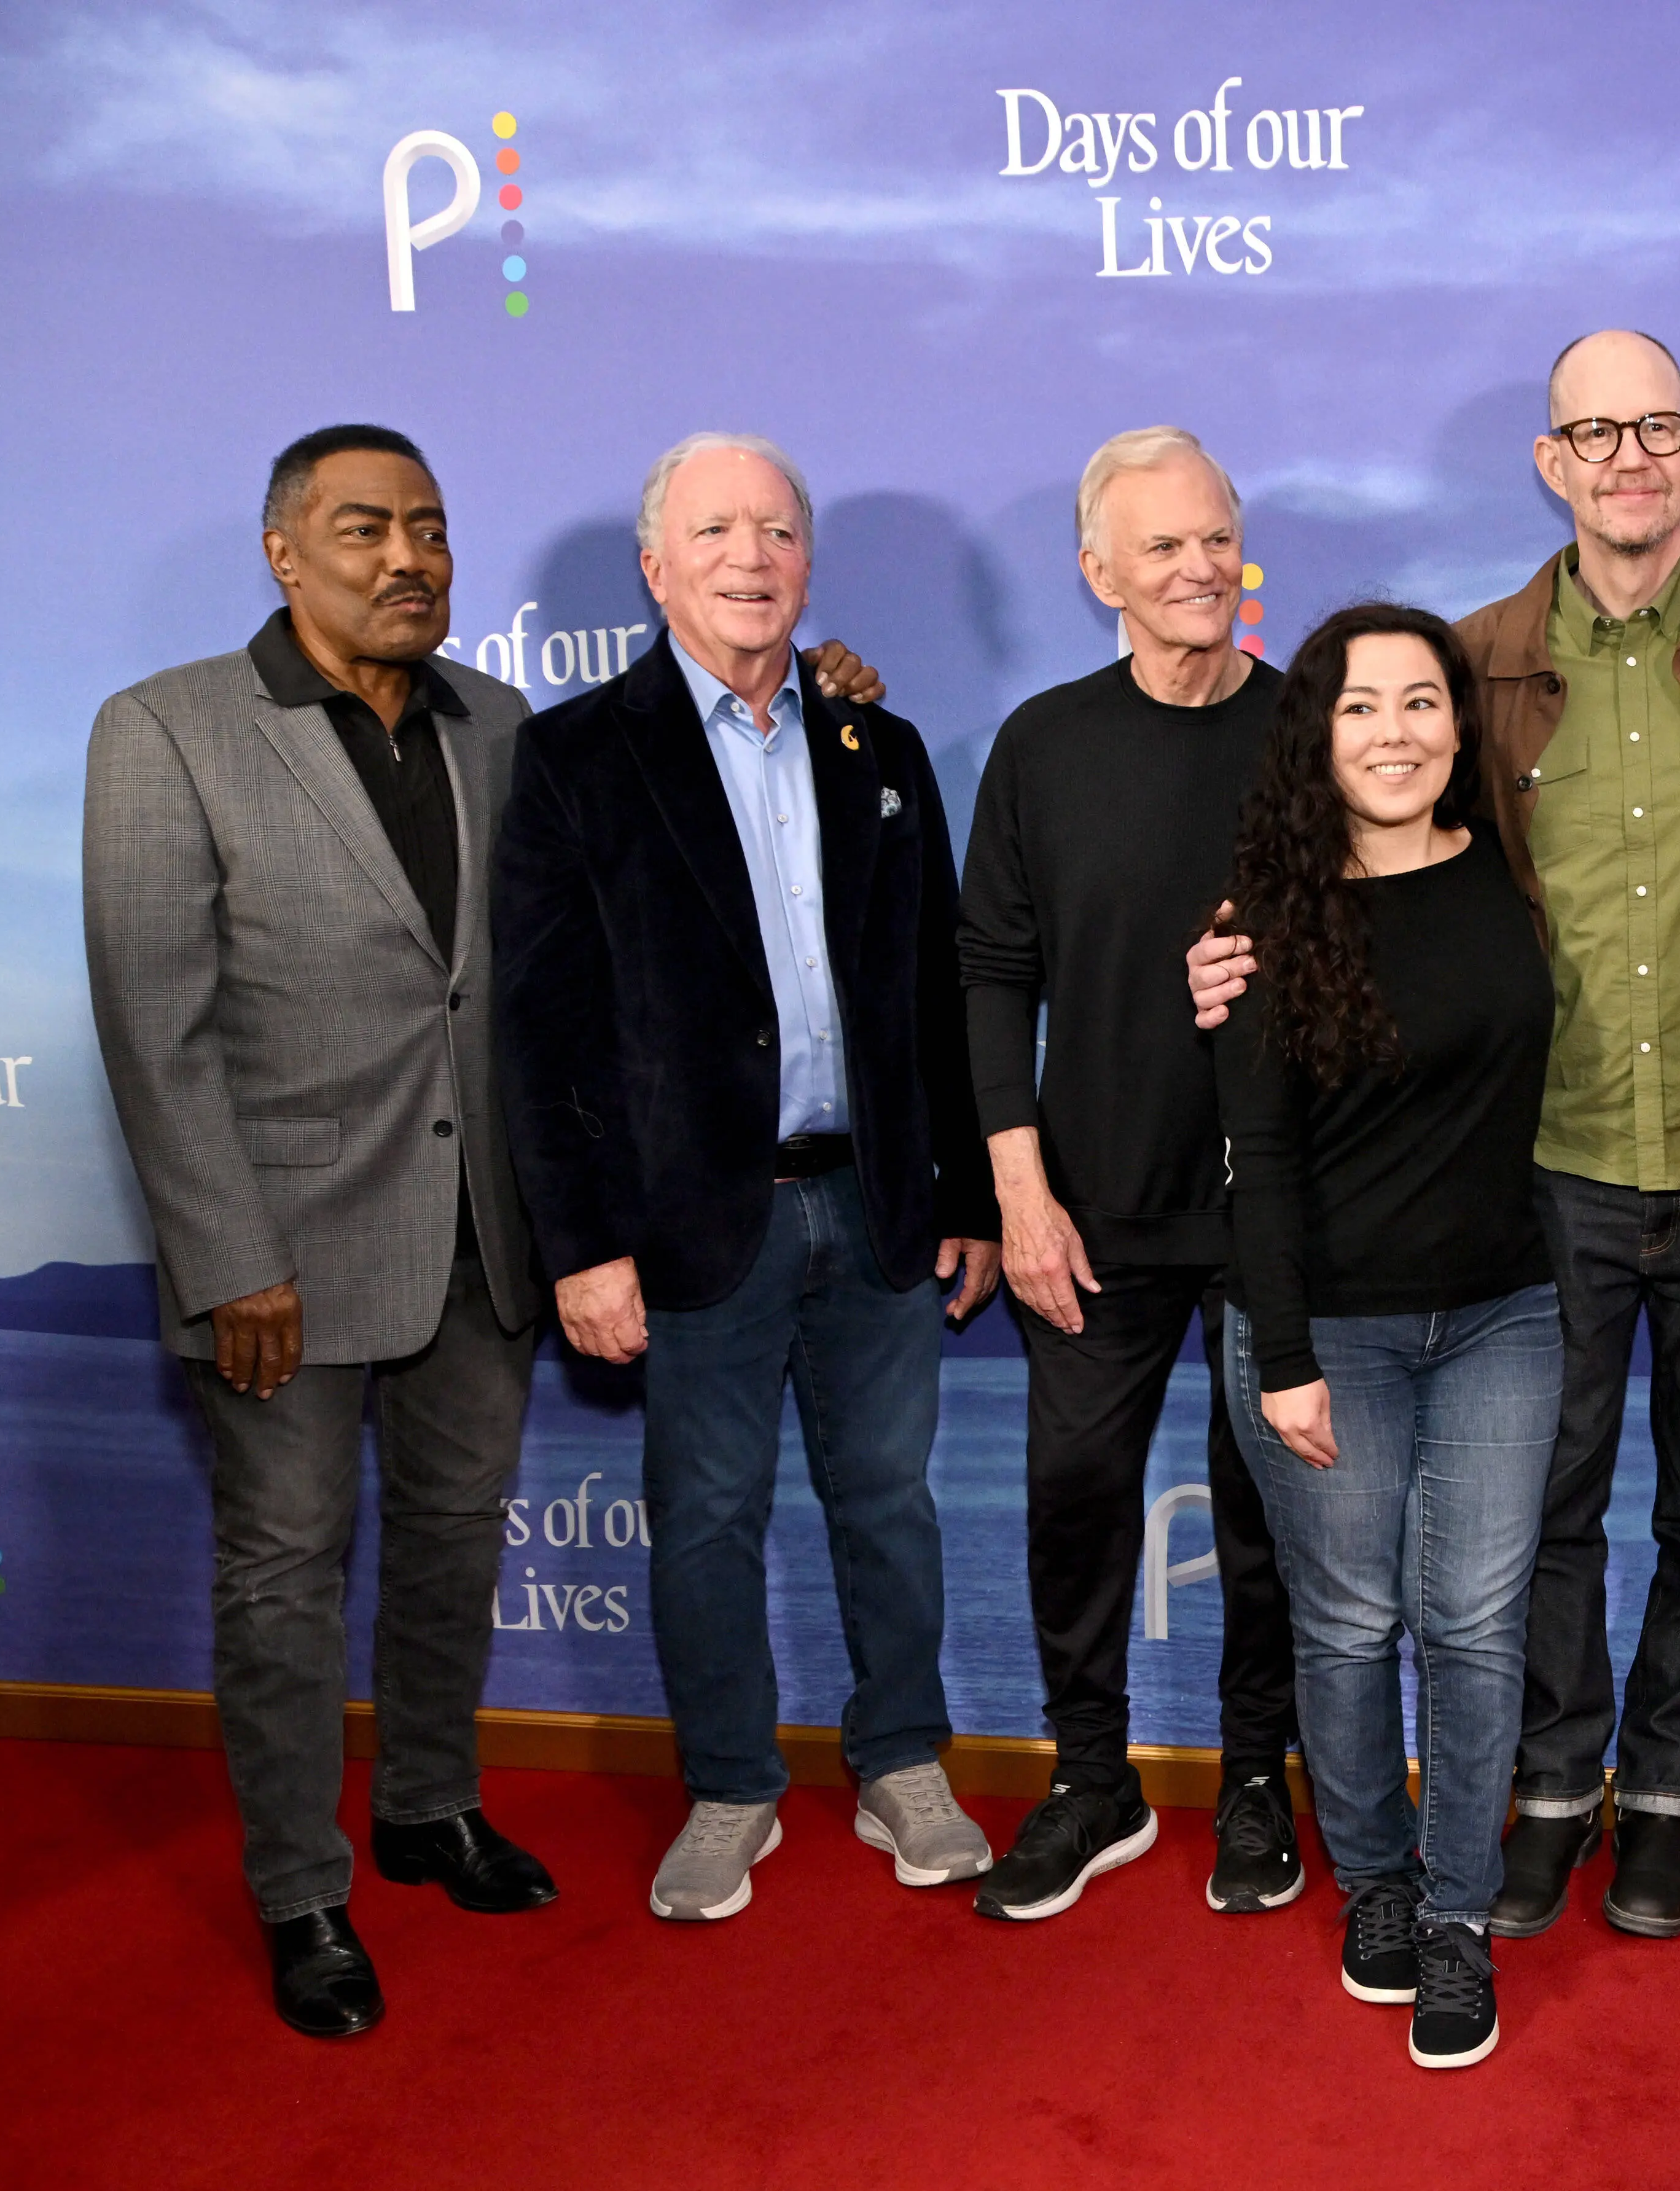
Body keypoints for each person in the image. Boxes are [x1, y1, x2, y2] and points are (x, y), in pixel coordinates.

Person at [1193, 330, 1680, 1942]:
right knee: (1532, 1525)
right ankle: (1546, 1795)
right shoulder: (1468, 663)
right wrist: (1243, 938)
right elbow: (1333, 801)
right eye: (1591, 432)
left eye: (1657, 426)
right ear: (1548, 463)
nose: (1628, 456)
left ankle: (1668, 1794)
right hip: (1533, 1184)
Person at [81, 426, 555, 2038]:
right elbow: (159, 1022)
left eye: (429, 525)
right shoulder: (170, 731)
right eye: (365, 528)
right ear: (285, 551)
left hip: (485, 1235)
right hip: (280, 1256)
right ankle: (301, 1888)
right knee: (284, 1579)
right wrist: (226, 1255)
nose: (406, 556)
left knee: (451, 1541)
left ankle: (429, 1805)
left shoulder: (501, 723)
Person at [496, 432, 1001, 1921]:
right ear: (658, 567)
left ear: (805, 562)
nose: (750, 556)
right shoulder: (576, 758)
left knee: (888, 1504)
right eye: (715, 530)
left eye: (776, 530)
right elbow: (541, 1025)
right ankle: (728, 1784)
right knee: (707, 1517)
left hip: (876, 1205)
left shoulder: (879, 748)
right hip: (690, 1220)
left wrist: (966, 1190)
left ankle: (902, 1762)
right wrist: (580, 1246)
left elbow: (931, 990)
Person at [958, 428, 1303, 1921]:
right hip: (1084, 1213)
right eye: (1160, 547)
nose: (1197, 568)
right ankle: (1089, 1779)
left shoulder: (1312, 732)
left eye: (1215, 537)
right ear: (1098, 571)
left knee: (1271, 1522)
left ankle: (1250, 1782)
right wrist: (1016, 1195)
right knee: (1077, 1497)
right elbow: (989, 974)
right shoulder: (1041, 743)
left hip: (1274, 1211)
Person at [1213, 602, 1558, 2071]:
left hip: (1504, 1312)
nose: (1398, 731)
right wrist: (1282, 1355)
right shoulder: (1259, 926)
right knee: (1349, 1625)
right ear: (1318, 735)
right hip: (1323, 1330)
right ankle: (1376, 1888)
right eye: (1362, 708)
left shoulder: (1509, 880)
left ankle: (1460, 1918)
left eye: (1423, 702)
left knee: (1476, 1625)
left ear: (1459, 727)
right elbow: (1259, 1163)